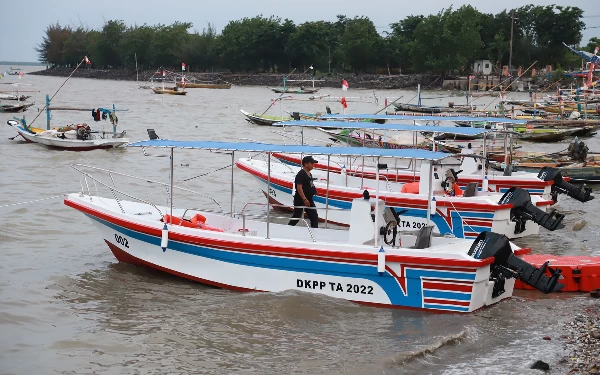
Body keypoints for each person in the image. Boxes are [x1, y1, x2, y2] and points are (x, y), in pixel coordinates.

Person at [288, 156, 319, 228]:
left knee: (314, 217)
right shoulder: (301, 174)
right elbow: (299, 187)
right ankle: (288, 228)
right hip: (301, 199)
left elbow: (310, 183)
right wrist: (304, 199)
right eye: (312, 163)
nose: (313, 165)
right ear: (306, 164)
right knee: (296, 216)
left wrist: (314, 190)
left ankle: (314, 232)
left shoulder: (309, 174)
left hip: (309, 199)